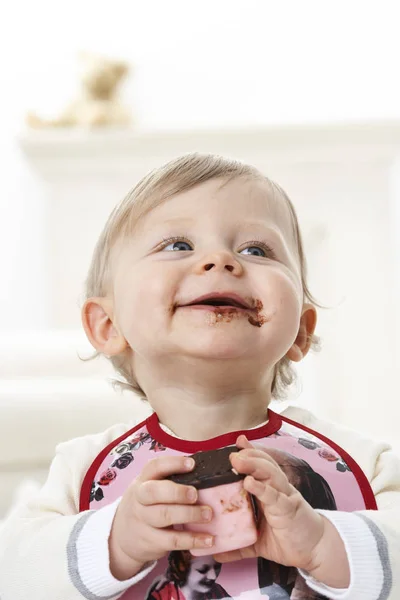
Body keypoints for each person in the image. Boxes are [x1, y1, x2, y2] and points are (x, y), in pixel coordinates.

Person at [0, 153, 399, 600]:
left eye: (256, 250)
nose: (220, 259)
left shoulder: (363, 463)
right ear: (107, 325)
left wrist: (324, 542)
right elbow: (11, 574)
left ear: (300, 331)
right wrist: (113, 542)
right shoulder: (82, 469)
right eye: (177, 245)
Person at [145, 551, 230, 599]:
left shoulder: (217, 591)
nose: (213, 576)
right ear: (182, 568)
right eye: (202, 570)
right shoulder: (161, 596)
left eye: (217, 567)